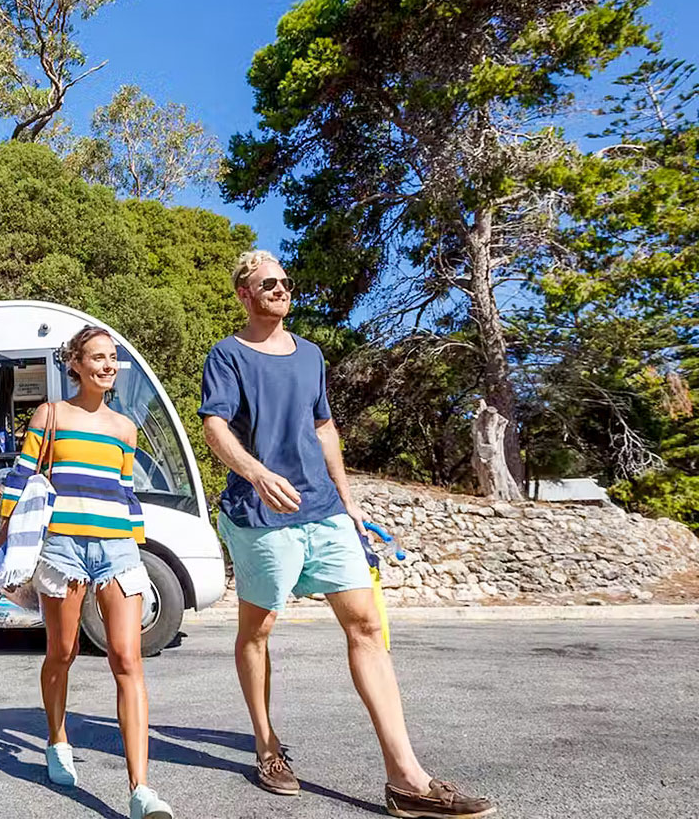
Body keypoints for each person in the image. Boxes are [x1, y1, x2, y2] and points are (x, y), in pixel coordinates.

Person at [199, 250, 497, 819]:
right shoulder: (228, 355)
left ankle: (406, 777)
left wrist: (349, 499)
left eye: (286, 282)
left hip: (324, 508)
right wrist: (256, 472)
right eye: (269, 284)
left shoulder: (310, 354)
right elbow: (215, 425)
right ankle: (266, 747)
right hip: (261, 513)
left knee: (366, 626)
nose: (282, 290)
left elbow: (325, 426)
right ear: (244, 293)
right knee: (258, 631)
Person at [0, 325, 174, 819]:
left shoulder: (125, 428)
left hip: (117, 549)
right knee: (63, 652)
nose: (108, 365)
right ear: (75, 364)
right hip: (63, 548)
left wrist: (135, 545)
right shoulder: (51, 415)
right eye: (97, 357)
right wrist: (5, 546)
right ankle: (56, 739)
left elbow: (125, 490)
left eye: (113, 357)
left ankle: (141, 790)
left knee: (127, 659)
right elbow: (23, 475)